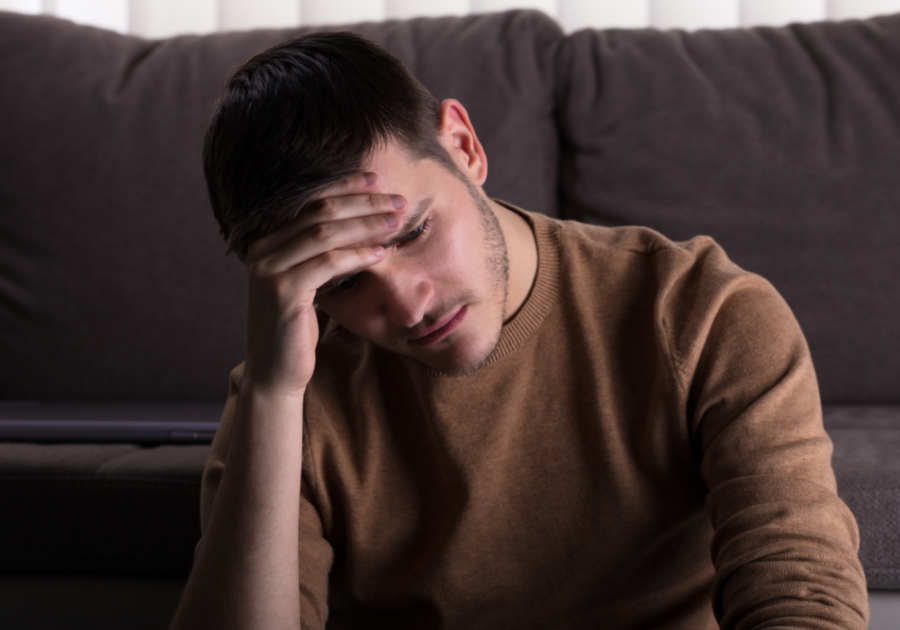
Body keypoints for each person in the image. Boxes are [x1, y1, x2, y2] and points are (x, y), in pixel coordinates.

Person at [170, 31, 868, 630]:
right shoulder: (286, 392)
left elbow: (800, 589)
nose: (409, 306)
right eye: (342, 282)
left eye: (412, 231)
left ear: (464, 147)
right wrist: (271, 392)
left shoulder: (703, 312)